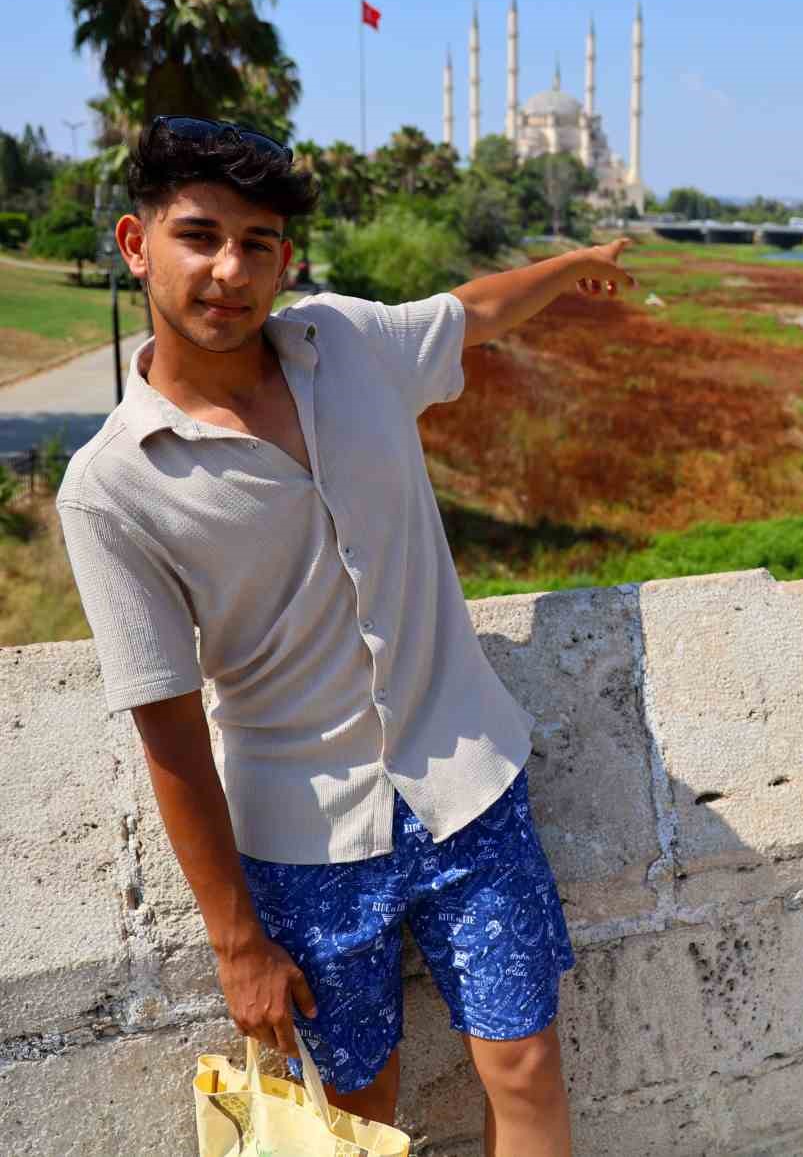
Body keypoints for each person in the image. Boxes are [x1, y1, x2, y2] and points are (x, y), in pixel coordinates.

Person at [56, 115, 635, 1157]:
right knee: (358, 1119)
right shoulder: (112, 488)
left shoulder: (349, 345)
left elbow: (472, 313)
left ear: (286, 257)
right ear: (138, 245)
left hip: (468, 791)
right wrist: (237, 940)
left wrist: (574, 266)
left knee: (529, 1067)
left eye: (258, 242)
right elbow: (170, 727)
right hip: (305, 842)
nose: (230, 270)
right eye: (200, 235)